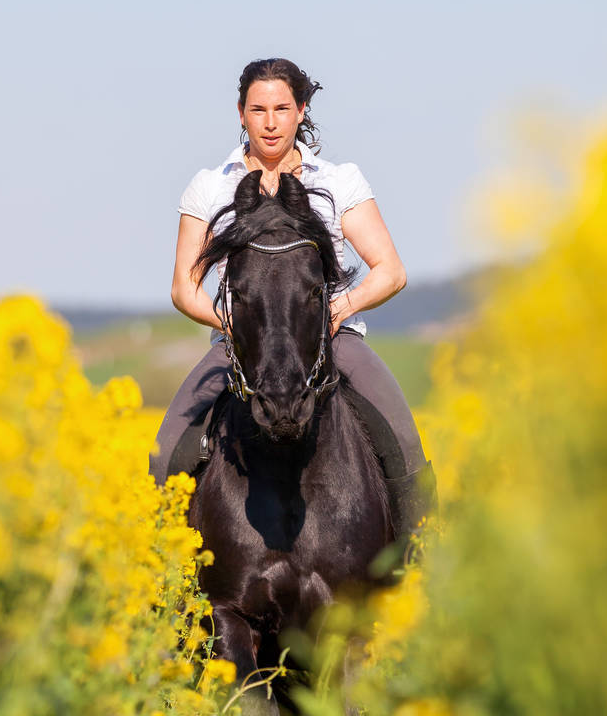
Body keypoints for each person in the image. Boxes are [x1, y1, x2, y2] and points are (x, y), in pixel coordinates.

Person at [150, 57, 436, 540]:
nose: (270, 122)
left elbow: (391, 271)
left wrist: (337, 310)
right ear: (241, 113)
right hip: (239, 347)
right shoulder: (210, 186)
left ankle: (424, 554)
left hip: (332, 339)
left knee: (402, 440)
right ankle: (159, 567)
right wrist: (233, 327)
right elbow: (184, 287)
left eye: (282, 109)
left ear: (301, 111)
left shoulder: (338, 181)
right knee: (166, 455)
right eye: (258, 110)